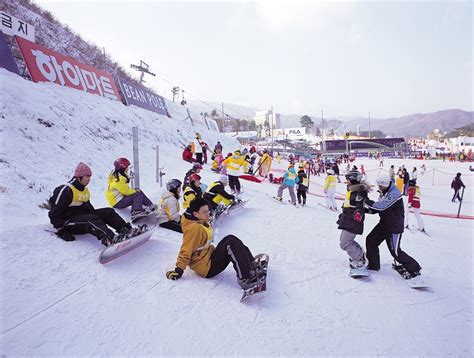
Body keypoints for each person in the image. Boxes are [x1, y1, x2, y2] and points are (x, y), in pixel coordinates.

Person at [165, 198, 262, 290]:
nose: (208, 214)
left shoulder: (198, 220)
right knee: (231, 244)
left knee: (230, 238)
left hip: (208, 257)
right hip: (207, 268)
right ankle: (246, 279)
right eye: (204, 212)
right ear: (195, 213)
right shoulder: (194, 229)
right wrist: (179, 270)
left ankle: (251, 264)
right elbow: (186, 249)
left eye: (208, 211)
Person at [49, 162, 131, 246]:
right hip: (68, 223)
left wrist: (99, 216)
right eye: (87, 176)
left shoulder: (84, 190)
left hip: (82, 218)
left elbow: (89, 209)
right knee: (90, 219)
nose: (89, 179)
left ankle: (126, 230)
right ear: (79, 177)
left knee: (108, 212)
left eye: (90, 176)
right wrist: (61, 230)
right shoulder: (66, 190)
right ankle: (110, 239)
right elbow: (54, 213)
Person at [364, 173, 422, 279]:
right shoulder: (383, 191)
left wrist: (365, 200)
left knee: (395, 252)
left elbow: (382, 206)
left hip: (394, 227)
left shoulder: (394, 193)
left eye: (381, 186)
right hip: (384, 224)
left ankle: (415, 269)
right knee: (371, 240)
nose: (379, 188)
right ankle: (373, 265)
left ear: (386, 184)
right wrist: (367, 210)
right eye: (379, 186)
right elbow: (379, 208)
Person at [336, 171, 370, 269]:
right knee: (344, 242)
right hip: (347, 218)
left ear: (353, 180)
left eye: (348, 180)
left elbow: (360, 205)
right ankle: (360, 254)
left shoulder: (360, 191)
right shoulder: (352, 189)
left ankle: (360, 259)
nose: (346, 181)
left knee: (345, 243)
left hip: (353, 220)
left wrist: (358, 213)